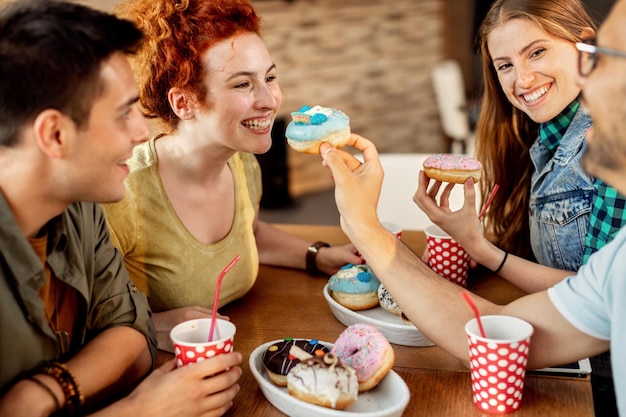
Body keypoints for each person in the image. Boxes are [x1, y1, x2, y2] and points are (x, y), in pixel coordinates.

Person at [319, 0, 626, 413]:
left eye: (606, 60)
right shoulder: (542, 140)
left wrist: (364, 225)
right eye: (505, 65)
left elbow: (487, 338)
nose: (524, 78)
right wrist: (477, 242)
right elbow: (488, 336)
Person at [0, 1, 241, 416]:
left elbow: (133, 332)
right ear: (55, 134)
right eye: (123, 113)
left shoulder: (80, 206)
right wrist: (141, 411)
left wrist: (43, 393)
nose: (140, 131)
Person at [102, 0, 362, 351]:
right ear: (184, 103)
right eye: (243, 85)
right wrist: (155, 324)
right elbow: (81, 317)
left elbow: (249, 233)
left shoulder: (242, 162)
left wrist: (316, 254)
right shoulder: (122, 193)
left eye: (269, 77)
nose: (270, 100)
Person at [423, 1, 621, 413]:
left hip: (601, 381)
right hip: (563, 361)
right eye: (505, 65)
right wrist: (487, 242)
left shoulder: (610, 143)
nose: (522, 79)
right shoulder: (547, 131)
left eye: (537, 51)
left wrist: (484, 251)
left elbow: (597, 294)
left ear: (585, 47)